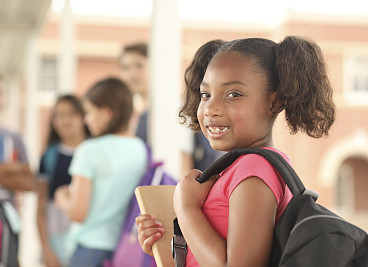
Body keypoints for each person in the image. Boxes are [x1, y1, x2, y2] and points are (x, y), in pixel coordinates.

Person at [136, 36, 336, 266]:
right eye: (205, 95)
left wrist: (186, 208)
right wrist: (172, 245)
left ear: (275, 102)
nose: (211, 108)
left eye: (233, 94)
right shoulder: (236, 169)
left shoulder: (254, 170)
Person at [55, 77, 148, 267]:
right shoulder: (140, 148)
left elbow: (78, 213)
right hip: (124, 248)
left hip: (89, 249)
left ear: (106, 113)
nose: (86, 120)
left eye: (89, 113)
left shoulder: (89, 150)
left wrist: (63, 199)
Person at [118, 43, 222, 176]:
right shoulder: (137, 112)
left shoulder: (173, 109)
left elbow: (182, 164)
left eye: (139, 65)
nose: (131, 73)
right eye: (125, 67)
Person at [36, 95, 89, 267]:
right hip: (56, 236)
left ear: (83, 116)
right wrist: (46, 248)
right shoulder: (49, 157)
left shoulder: (95, 152)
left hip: (89, 236)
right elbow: (41, 206)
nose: (64, 120)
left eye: (71, 113)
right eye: (58, 115)